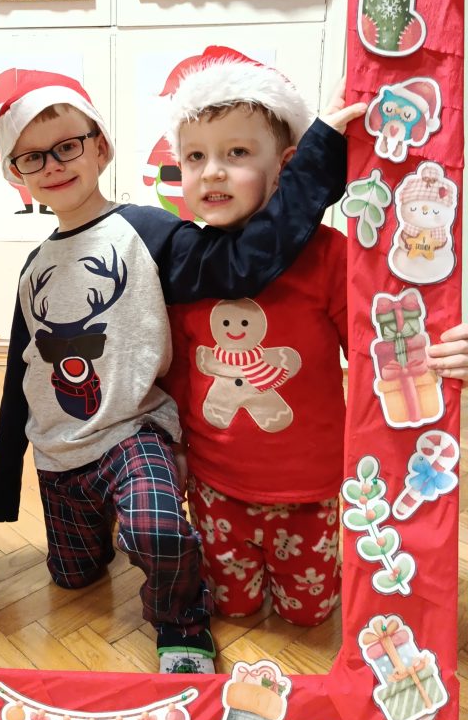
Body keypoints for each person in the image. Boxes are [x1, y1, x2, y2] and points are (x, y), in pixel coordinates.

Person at [0, 68, 364, 673]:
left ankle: (179, 624)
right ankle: (101, 527)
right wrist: (2, 484)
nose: (52, 165)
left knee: (170, 539)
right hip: (61, 448)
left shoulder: (151, 231)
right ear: (14, 175)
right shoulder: (35, 265)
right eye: (32, 157)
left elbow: (248, 260)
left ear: (101, 147)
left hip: (138, 434)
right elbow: (21, 374)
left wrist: (322, 150)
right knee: (73, 577)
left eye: (67, 146)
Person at [161, 46, 468, 627]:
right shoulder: (189, 260)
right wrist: (174, 449)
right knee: (233, 607)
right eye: (195, 157)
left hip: (312, 488)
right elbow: (179, 368)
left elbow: (380, 348)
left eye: (237, 153)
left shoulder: (329, 256)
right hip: (216, 483)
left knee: (310, 615)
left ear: (287, 166)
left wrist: (440, 354)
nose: (213, 171)